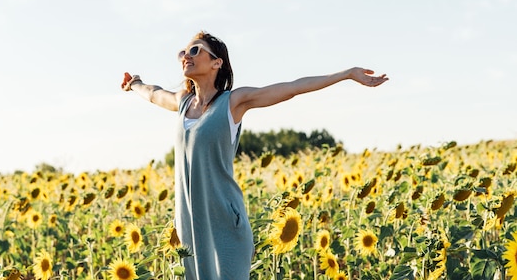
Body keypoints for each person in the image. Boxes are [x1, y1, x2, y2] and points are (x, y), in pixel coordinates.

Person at [121, 30, 388, 280]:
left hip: (225, 222)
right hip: (191, 224)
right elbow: (154, 94)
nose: (186, 56)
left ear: (217, 63)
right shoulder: (182, 103)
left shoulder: (233, 103)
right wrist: (135, 83)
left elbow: (292, 87)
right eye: (184, 52)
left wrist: (346, 74)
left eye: (195, 50)